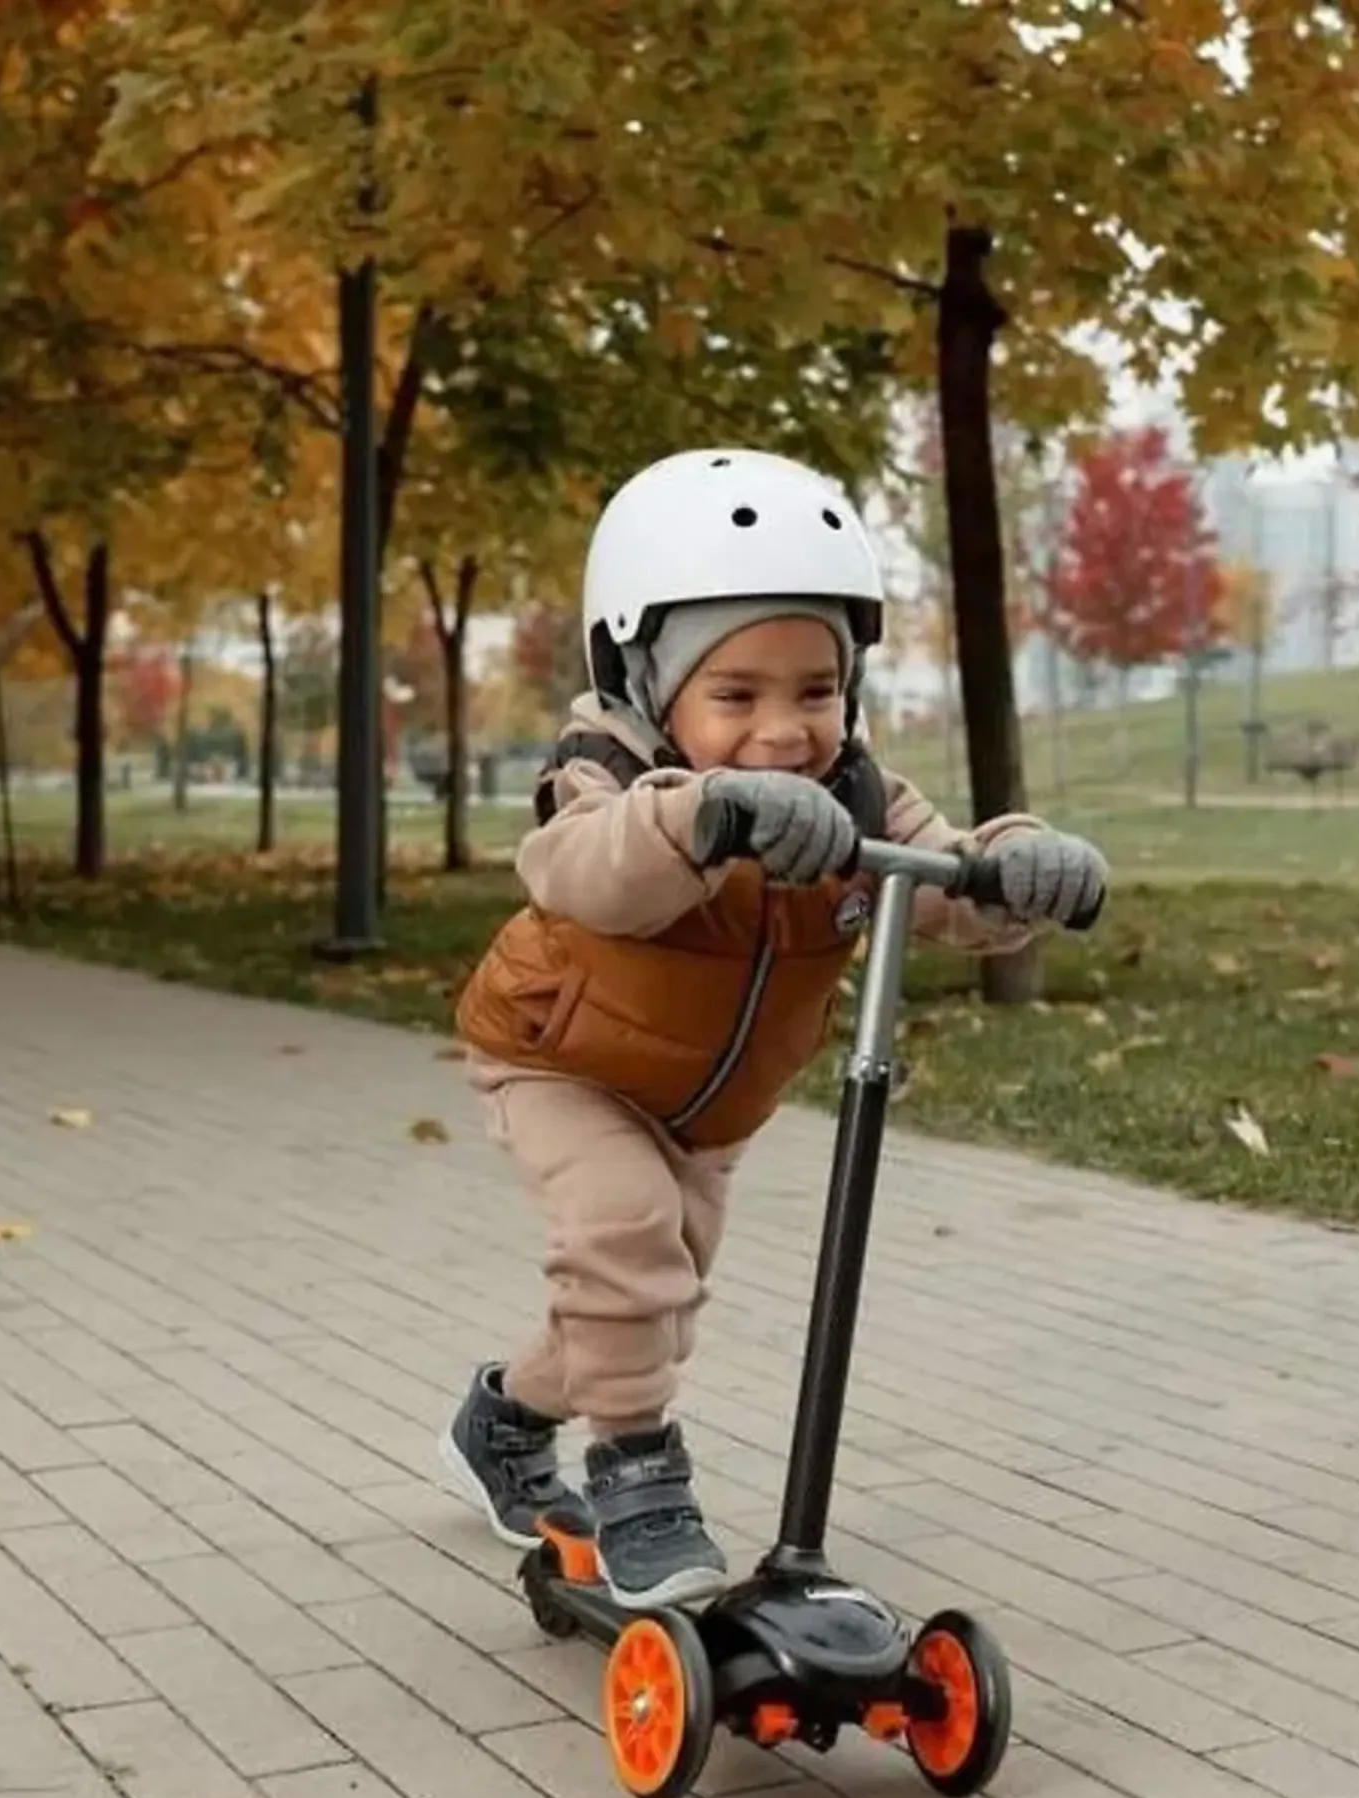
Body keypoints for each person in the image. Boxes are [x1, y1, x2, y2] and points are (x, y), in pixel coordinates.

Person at [443, 448, 1108, 1610]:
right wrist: (705, 817)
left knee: (639, 1293)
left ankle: (505, 1416)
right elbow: (582, 873)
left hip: (705, 1111)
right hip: (559, 1057)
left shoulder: (859, 792)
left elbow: (947, 880)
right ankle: (636, 1475)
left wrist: (1013, 866)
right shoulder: (606, 770)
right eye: (735, 694)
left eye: (814, 689)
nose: (782, 730)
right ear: (646, 681)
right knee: (623, 1228)